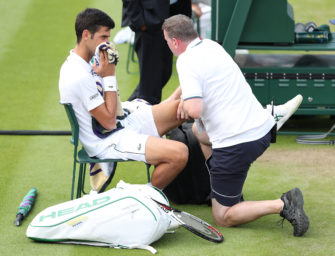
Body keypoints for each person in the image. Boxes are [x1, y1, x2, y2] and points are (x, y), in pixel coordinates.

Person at [162, 14, 309, 236]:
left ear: (174, 41)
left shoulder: (185, 60)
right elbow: (194, 88)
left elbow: (194, 111)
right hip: (261, 129)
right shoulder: (210, 46)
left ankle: (283, 204)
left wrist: (184, 103)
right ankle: (222, 189)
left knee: (222, 217)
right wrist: (178, 98)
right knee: (197, 131)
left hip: (237, 143)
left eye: (167, 42)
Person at [59, 8, 189, 190]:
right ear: (86, 35)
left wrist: (105, 76)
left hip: (123, 122)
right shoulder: (77, 75)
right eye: (103, 38)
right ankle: (146, 197)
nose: (108, 43)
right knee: (179, 153)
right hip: (107, 140)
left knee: (185, 108)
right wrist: (109, 77)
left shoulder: (86, 62)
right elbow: (109, 123)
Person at [121, 0, 191, 105]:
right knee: (151, 83)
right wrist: (138, 21)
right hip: (149, 18)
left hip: (174, 13)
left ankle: (123, 113)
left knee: (163, 73)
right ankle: (128, 115)